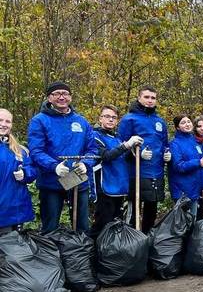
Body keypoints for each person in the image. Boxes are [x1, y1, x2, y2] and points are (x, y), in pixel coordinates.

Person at [27, 81, 97, 233]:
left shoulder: (81, 121)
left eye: (65, 93)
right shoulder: (39, 121)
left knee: (82, 225)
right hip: (51, 181)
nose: (61, 97)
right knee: (50, 225)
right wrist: (54, 166)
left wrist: (86, 163)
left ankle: (81, 253)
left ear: (70, 97)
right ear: (49, 98)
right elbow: (36, 151)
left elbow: (92, 149)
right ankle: (49, 254)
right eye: (56, 94)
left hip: (77, 179)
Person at [118, 86, 170, 233]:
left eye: (153, 98)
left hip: (156, 173)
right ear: (139, 98)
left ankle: (146, 239)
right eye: (146, 97)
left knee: (151, 211)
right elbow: (119, 147)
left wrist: (167, 155)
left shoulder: (160, 121)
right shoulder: (129, 119)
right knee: (133, 211)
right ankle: (131, 243)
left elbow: (164, 144)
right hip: (136, 173)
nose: (150, 100)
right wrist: (136, 155)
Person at [92, 105, 142, 235]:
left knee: (116, 223)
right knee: (103, 223)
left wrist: (137, 152)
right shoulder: (95, 137)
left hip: (120, 187)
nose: (110, 120)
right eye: (107, 116)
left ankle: (112, 251)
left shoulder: (117, 138)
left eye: (114, 117)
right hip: (105, 186)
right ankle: (96, 252)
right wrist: (126, 145)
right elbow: (106, 156)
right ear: (100, 118)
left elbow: (125, 158)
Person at [0, 108, 37, 234]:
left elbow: (32, 169)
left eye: (8, 121)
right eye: (0, 120)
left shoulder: (20, 150)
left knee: (12, 250)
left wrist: (25, 174)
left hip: (14, 211)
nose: (4, 124)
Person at [167, 114, 203, 216]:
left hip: (195, 189)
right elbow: (179, 166)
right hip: (181, 191)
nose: (187, 124)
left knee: (193, 221)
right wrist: (197, 162)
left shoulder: (195, 141)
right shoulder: (174, 144)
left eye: (188, 121)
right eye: (183, 123)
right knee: (182, 225)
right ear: (177, 127)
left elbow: (202, 167)